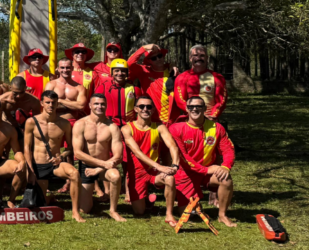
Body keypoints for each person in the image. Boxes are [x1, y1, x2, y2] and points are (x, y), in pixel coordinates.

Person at [169, 96, 236, 227]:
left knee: (226, 179)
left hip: (208, 173)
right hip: (186, 173)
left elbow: (228, 150)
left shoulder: (217, 127)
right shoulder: (176, 128)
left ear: (205, 109)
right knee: (189, 214)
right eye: (191, 107)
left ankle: (222, 215)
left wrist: (225, 167)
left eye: (199, 106)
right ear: (186, 109)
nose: (195, 109)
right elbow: (182, 157)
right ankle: (189, 202)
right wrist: (205, 169)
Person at [22, 91, 83, 222]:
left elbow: (70, 148)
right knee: (40, 204)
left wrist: (60, 157)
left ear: (57, 104)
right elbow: (27, 147)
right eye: (48, 102)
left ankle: (75, 212)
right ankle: (49, 198)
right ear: (42, 103)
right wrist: (30, 170)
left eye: (53, 103)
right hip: (37, 165)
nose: (50, 105)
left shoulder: (64, 124)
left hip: (54, 164)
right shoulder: (31, 122)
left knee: (74, 174)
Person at [123, 94, 181, 225]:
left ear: (153, 110)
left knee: (170, 179)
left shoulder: (159, 127)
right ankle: (148, 202)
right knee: (139, 212)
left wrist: (175, 165)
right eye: (141, 106)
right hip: (137, 173)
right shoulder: (127, 128)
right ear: (136, 109)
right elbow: (137, 153)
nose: (145, 109)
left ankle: (169, 215)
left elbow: (172, 146)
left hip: (154, 171)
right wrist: (160, 166)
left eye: (149, 107)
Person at [72, 93, 126, 222]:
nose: (99, 106)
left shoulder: (112, 127)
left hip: (105, 166)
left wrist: (100, 168)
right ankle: (91, 198)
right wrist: (102, 164)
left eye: (102, 104)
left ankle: (113, 210)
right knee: (85, 209)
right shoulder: (81, 124)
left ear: (106, 106)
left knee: (115, 176)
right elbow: (78, 153)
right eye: (96, 103)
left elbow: (118, 156)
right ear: (90, 105)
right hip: (87, 166)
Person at [172, 45, 228, 122]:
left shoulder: (218, 77)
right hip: (190, 120)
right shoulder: (182, 77)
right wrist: (194, 115)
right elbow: (180, 100)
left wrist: (213, 115)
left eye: (202, 55)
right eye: (195, 55)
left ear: (207, 58)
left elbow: (222, 100)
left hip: (211, 119)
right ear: (190, 58)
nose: (199, 58)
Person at [127, 44, 175, 123]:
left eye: (159, 56)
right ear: (148, 61)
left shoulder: (172, 71)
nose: (158, 59)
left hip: (168, 119)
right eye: (153, 58)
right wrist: (143, 48)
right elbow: (129, 64)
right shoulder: (144, 71)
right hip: (148, 118)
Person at [92, 59, 143, 128]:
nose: (120, 73)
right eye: (116, 71)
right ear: (112, 72)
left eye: (123, 71)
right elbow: (94, 107)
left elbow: (141, 109)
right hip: (108, 125)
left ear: (127, 73)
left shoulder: (135, 89)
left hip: (129, 126)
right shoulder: (103, 88)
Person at [44, 58, 89, 124]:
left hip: (72, 121)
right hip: (54, 122)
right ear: (58, 69)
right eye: (62, 67)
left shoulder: (79, 87)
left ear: (72, 68)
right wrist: (72, 104)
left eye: (68, 67)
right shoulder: (51, 85)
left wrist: (59, 101)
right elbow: (47, 104)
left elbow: (81, 106)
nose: (65, 70)